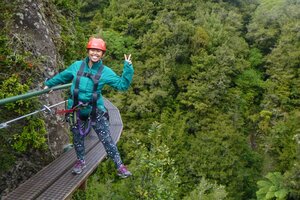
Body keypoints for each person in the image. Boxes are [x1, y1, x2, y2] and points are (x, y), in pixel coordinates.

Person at [44, 37, 134, 178]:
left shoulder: (105, 72)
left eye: (98, 51)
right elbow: (63, 76)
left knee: (106, 139)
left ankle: (120, 166)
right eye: (93, 50)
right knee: (78, 138)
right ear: (88, 51)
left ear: (102, 54)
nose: (95, 53)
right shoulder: (77, 66)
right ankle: (81, 161)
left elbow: (122, 85)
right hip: (76, 109)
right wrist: (49, 84)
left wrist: (127, 67)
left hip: (95, 110)